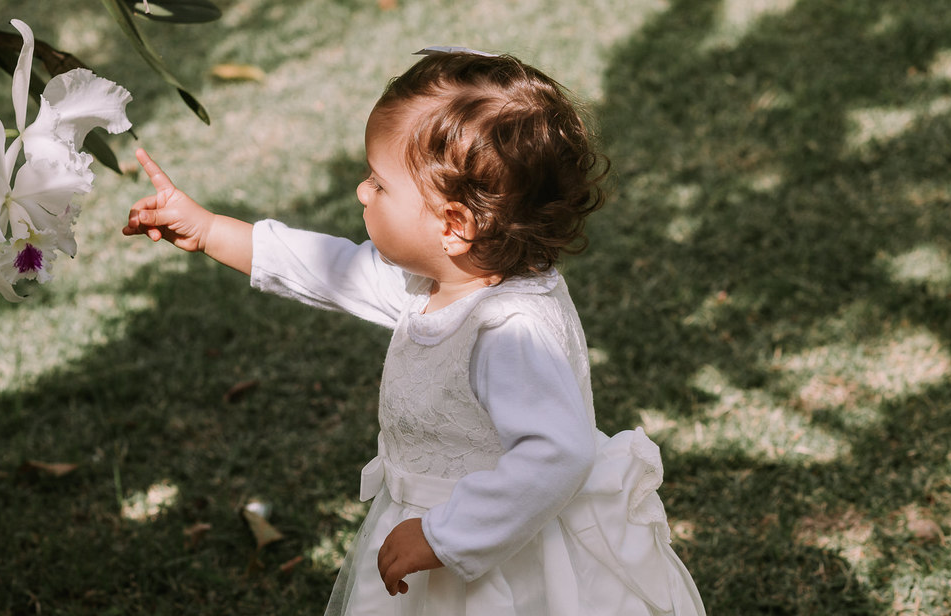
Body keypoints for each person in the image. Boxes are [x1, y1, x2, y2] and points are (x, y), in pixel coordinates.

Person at [123, 49, 707, 615]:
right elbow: (328, 271)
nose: (361, 191)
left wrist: (443, 537)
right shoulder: (436, 283)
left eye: (379, 184)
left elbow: (559, 452)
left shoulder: (508, 329)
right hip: (430, 529)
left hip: (499, 565)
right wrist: (208, 230)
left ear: (454, 225)